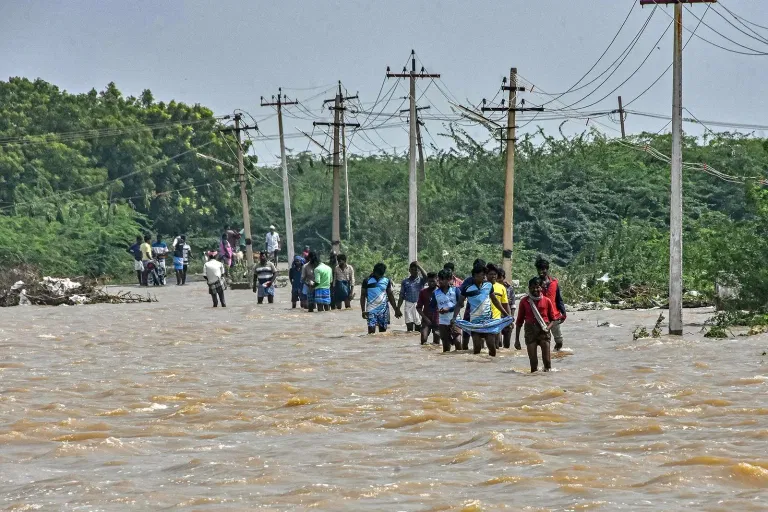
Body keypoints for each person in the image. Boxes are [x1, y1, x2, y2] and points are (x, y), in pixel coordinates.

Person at [452, 263, 510, 357]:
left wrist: (506, 314)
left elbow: (495, 301)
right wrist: (454, 317)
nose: (484, 276)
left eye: (484, 274)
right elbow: (459, 304)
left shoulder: (488, 286)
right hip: (475, 323)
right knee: (477, 348)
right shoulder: (467, 289)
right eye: (482, 274)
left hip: (488, 322)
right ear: (475, 275)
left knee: (492, 347)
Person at [515, 277, 557, 372]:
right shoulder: (524, 301)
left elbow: (553, 320)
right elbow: (519, 322)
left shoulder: (547, 301)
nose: (535, 290)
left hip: (544, 332)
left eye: (537, 287)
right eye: (532, 287)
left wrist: (548, 328)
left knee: (547, 362)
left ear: (541, 288)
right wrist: (517, 340)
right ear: (529, 288)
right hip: (530, 332)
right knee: (533, 364)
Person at [535, 256, 567, 351]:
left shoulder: (554, 282)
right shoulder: (535, 283)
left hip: (555, 316)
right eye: (539, 269)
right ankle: (546, 359)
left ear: (547, 269)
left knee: (559, 341)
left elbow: (558, 299)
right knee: (544, 340)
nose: (542, 271)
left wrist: (564, 313)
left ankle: (556, 354)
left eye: (543, 269)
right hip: (541, 317)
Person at [360, 262, 402, 334]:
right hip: (371, 310)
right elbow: (363, 295)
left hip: (383, 310)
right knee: (371, 333)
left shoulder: (386, 281)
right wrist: (363, 310)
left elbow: (390, 295)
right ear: (374, 271)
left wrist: (396, 309)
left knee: (382, 334)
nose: (379, 276)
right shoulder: (367, 281)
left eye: (381, 275)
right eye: (378, 274)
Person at [433, 269, 461, 352]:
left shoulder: (455, 290)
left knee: (458, 341)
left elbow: (460, 304)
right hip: (442, 322)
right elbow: (432, 306)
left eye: (442, 279)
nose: (440, 281)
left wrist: (449, 309)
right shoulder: (436, 293)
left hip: (455, 320)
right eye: (439, 279)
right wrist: (438, 310)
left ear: (449, 280)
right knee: (446, 346)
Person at [486, 264, 511, 349]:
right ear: (486, 275)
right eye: (490, 274)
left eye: (495, 274)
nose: (493, 276)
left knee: (496, 346)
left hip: (496, 320)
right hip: (483, 320)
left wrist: (509, 318)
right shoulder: (482, 286)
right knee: (482, 347)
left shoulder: (501, 288)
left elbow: (505, 304)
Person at [398, 261, 427, 332]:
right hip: (408, 304)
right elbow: (401, 295)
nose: (414, 272)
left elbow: (426, 276)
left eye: (416, 270)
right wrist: (397, 308)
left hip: (418, 304)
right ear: (409, 270)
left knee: (418, 326)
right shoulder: (405, 282)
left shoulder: (421, 281)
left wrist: (419, 266)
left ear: (418, 271)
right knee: (409, 326)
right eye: (412, 270)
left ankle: (417, 341)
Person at [416, 272, 440, 345]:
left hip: (438, 320)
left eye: (433, 281)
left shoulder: (440, 291)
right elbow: (418, 307)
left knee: (436, 343)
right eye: (429, 281)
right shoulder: (423, 292)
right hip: (426, 319)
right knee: (423, 339)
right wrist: (425, 318)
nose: (431, 283)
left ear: (437, 280)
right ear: (427, 281)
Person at [497, 268, 516, 349]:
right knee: (498, 343)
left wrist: (511, 317)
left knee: (507, 345)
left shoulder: (509, 289)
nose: (498, 279)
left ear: (503, 277)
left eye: (499, 277)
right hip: (496, 318)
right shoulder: (491, 287)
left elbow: (513, 305)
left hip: (507, 317)